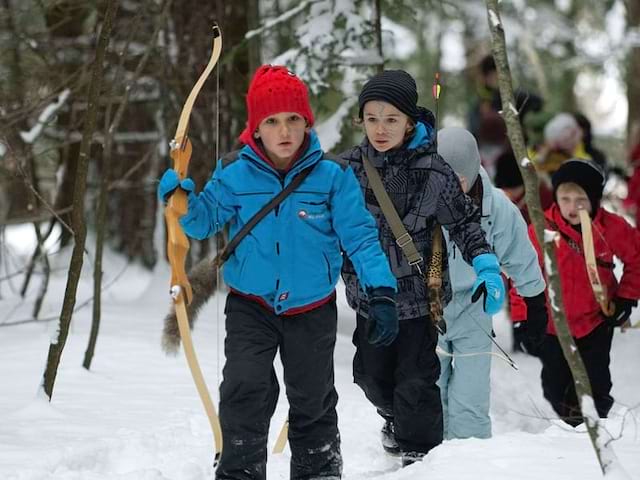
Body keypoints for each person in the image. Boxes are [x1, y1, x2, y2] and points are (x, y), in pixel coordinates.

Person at [158, 65, 399, 480]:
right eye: (271, 121)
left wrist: (381, 291)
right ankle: (240, 470)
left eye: (293, 119)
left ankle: (319, 470)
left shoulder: (331, 177)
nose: (284, 130)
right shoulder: (234, 172)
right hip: (251, 306)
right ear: (255, 127)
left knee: (312, 397)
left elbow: (360, 238)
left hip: (311, 308)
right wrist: (182, 199)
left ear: (307, 122)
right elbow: (201, 224)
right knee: (244, 386)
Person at [339, 70, 506, 466]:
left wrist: (485, 263)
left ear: (410, 121)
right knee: (370, 376)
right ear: (361, 120)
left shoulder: (433, 171)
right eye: (372, 118)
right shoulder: (348, 169)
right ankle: (393, 417)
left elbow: (464, 222)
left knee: (416, 381)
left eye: (391, 119)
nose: (381, 128)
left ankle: (422, 459)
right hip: (369, 299)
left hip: (418, 299)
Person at [435, 127, 547, 439]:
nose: (452, 187)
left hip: (474, 305)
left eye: (459, 178)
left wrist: (534, 302)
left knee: (470, 394)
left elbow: (520, 256)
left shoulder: (497, 208)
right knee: (429, 389)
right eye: (444, 177)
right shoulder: (420, 203)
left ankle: (469, 458)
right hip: (428, 307)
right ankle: (430, 459)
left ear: (473, 169)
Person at [510, 159, 640, 426]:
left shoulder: (611, 227)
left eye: (580, 199)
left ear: (594, 198)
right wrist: (523, 318)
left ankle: (594, 427)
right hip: (553, 324)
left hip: (595, 322)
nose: (572, 206)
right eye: (565, 198)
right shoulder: (541, 229)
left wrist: (626, 297)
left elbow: (636, 258)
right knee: (554, 385)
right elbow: (522, 274)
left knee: (596, 384)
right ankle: (571, 423)